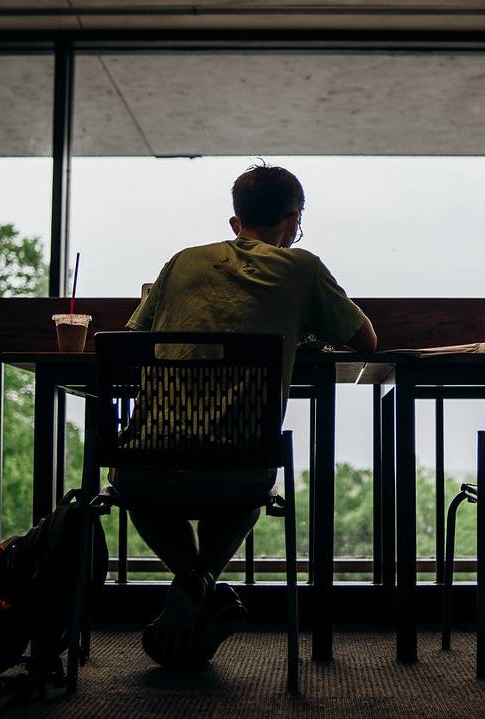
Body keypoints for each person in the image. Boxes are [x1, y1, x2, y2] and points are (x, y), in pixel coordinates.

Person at [116, 164, 376, 668]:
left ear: (235, 222)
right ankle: (201, 581)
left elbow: (135, 342)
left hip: (146, 469)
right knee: (250, 481)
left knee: (131, 483)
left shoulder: (182, 262)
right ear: (293, 218)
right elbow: (365, 342)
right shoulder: (300, 267)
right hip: (237, 473)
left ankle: (193, 582)